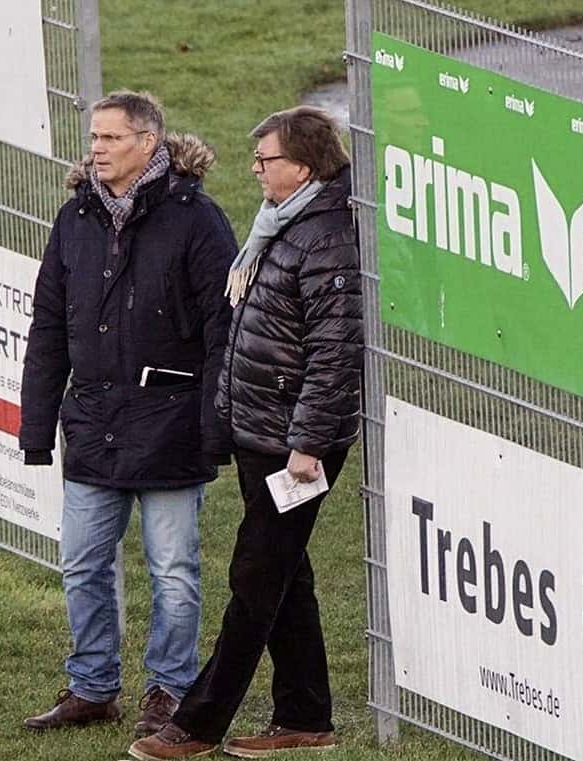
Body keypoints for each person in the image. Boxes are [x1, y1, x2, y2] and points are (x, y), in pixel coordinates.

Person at [129, 106, 364, 760]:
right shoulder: (282, 222)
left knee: (256, 576)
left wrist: (307, 446)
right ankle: (306, 716)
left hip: (299, 444)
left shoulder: (326, 239)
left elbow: (334, 355)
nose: (255, 168)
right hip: (265, 432)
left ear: (306, 167)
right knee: (286, 573)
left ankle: (198, 724)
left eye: (267, 159)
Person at [19, 90, 236, 737]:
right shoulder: (74, 218)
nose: (97, 149)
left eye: (111, 138)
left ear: (148, 142)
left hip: (172, 427)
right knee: (82, 562)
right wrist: (36, 428)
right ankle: (92, 687)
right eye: (94, 137)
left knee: (173, 570)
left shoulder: (198, 220)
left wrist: (214, 426)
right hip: (92, 425)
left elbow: (223, 330)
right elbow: (49, 326)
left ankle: (169, 690)